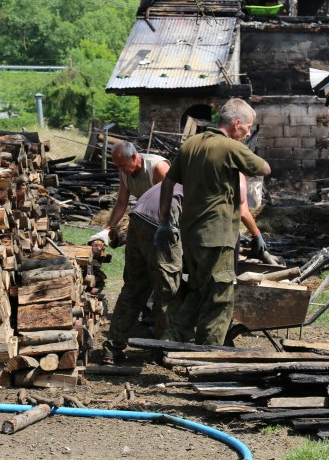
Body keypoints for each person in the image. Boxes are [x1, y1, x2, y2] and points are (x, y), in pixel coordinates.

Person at [156, 98, 270, 346]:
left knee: (198, 292)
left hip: (191, 235)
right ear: (236, 124)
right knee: (219, 299)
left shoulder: (190, 145)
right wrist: (243, 151)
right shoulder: (230, 147)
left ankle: (171, 338)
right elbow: (264, 169)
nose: (249, 132)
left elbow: (168, 181)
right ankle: (208, 357)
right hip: (216, 237)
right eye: (248, 127)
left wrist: (164, 220)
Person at [102, 181, 184, 364]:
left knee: (133, 288)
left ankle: (112, 347)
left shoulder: (174, 178)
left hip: (137, 219)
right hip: (160, 224)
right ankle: (163, 350)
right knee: (168, 292)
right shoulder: (199, 183)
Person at [106, 141, 169, 237]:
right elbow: (121, 203)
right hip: (147, 217)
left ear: (134, 157)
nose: (120, 170)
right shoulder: (124, 173)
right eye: (118, 167)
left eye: (123, 165)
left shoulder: (157, 167)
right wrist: (108, 229)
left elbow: (171, 199)